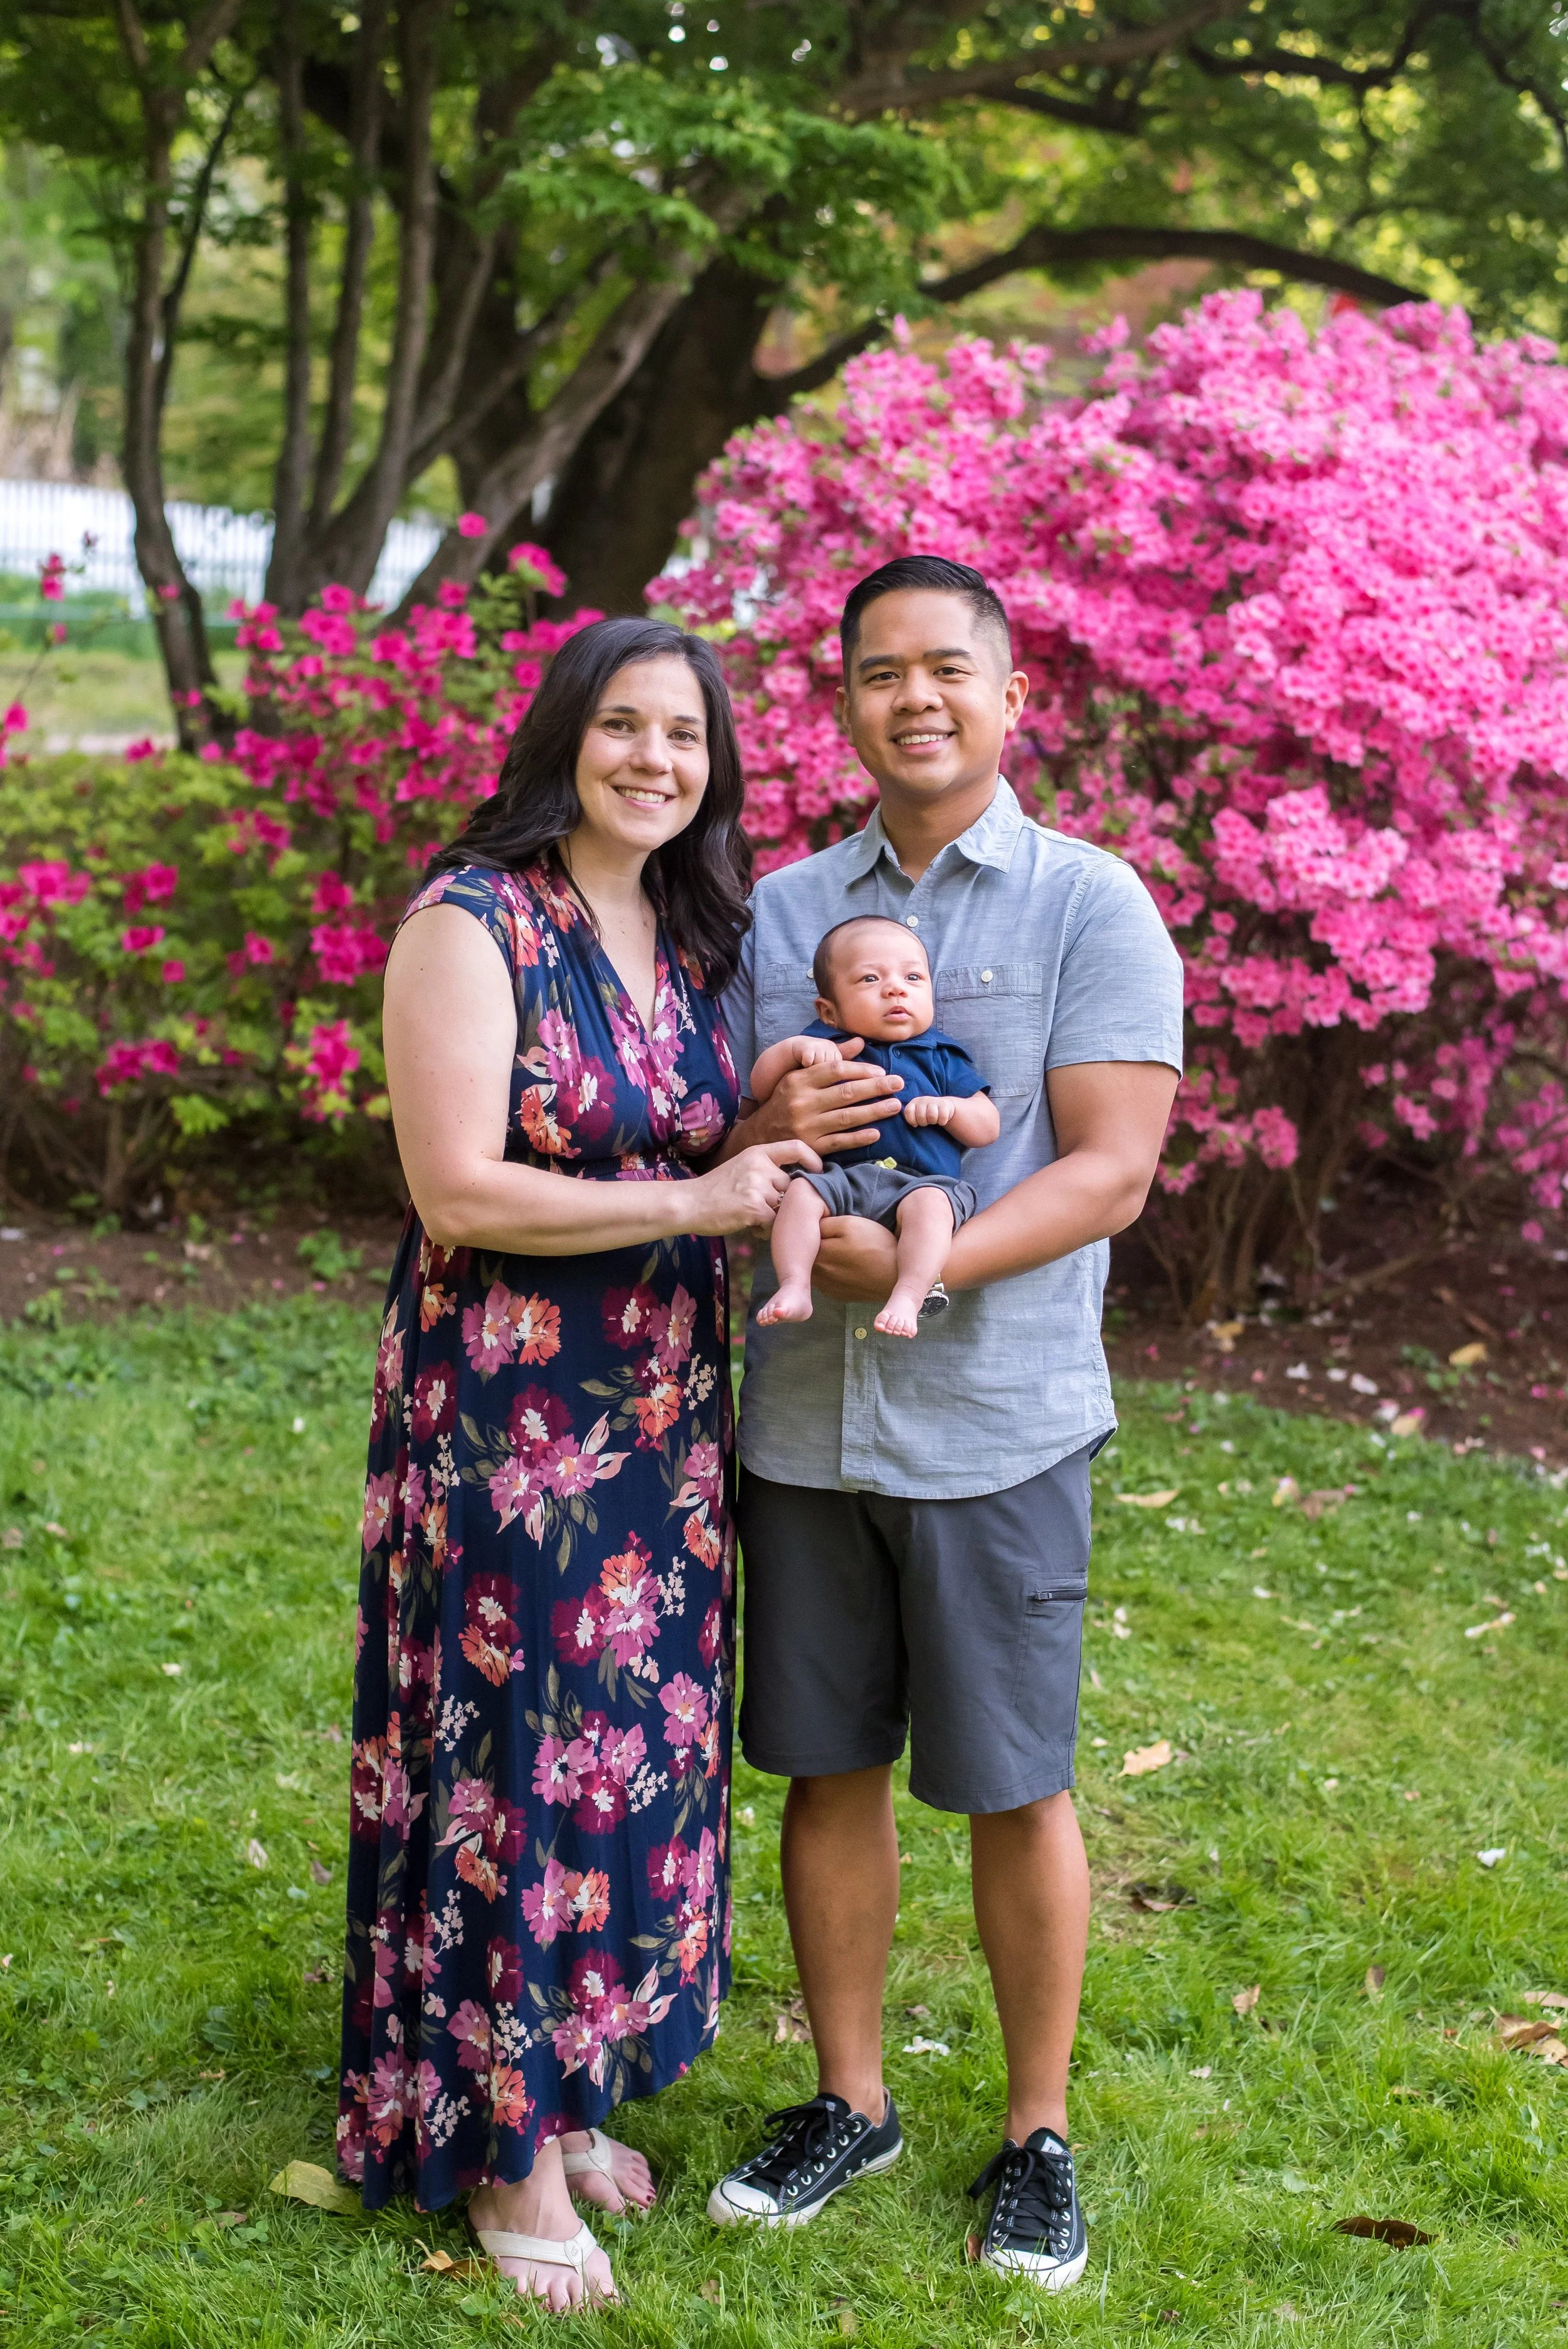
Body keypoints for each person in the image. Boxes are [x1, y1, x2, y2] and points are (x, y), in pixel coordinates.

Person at [706, 556, 1184, 2289]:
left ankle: (1035, 2135)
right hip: (803, 1431)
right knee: (823, 1766)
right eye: (879, 672)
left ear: (1007, 694)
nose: (914, 698)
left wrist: (913, 1267)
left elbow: (1109, 1168)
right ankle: (850, 2099)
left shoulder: (1089, 903)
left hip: (999, 1426)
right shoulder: (777, 911)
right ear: (843, 699)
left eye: (946, 670)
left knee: (1011, 1781)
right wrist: (770, 1137)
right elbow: (733, 1121)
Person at [337, 616, 814, 2313]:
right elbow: (456, 1186)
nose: (654, 760)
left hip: (659, 1413)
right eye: (622, 725)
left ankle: (572, 2071)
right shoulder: (469, 923)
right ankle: (501, 2150)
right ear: (563, 737)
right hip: (508, 1415)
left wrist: (780, 1124)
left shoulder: (689, 932)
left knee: (629, 1748)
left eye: (685, 736)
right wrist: (701, 1195)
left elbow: (689, 1139)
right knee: (516, 1758)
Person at [750, 915, 999, 1337]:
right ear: (829, 1011)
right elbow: (761, 1088)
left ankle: (910, 1292)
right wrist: (794, 1049)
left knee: (932, 1210)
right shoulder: (824, 1045)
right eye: (870, 979)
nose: (895, 988)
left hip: (922, 1182)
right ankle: (795, 1284)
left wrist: (951, 1109)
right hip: (840, 1177)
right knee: (801, 1194)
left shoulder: (940, 1055)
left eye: (913, 977)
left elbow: (987, 1126)